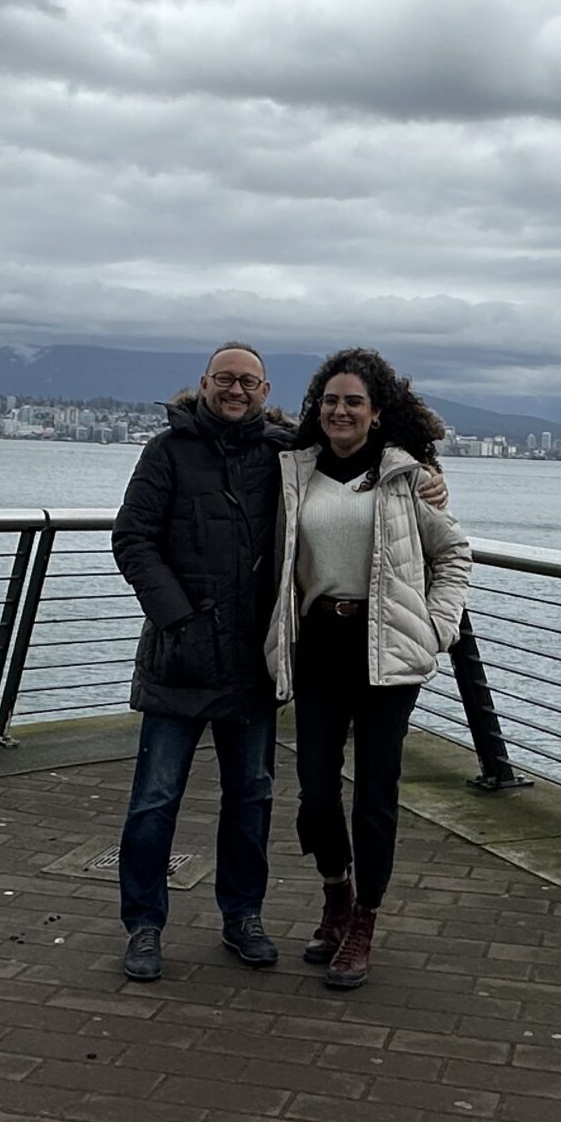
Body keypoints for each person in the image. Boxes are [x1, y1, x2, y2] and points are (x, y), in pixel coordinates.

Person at [265, 348, 471, 990]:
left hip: (388, 650)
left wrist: (437, 627)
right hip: (320, 643)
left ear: (377, 412)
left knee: (376, 794)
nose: (341, 411)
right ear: (316, 409)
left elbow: (454, 552)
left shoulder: (409, 478)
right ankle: (336, 891)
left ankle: (365, 924)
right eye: (330, 400)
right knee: (316, 788)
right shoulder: (294, 472)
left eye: (354, 401)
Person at [110, 343, 289, 982]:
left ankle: (243, 917)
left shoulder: (287, 457)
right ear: (203, 384)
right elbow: (131, 537)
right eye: (224, 379)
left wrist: (429, 477)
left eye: (247, 382)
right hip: (179, 658)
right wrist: (179, 619)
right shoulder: (167, 451)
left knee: (253, 797)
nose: (235, 391)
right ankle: (144, 925)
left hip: (251, 661)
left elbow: (364, 467)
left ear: (266, 390)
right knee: (154, 800)